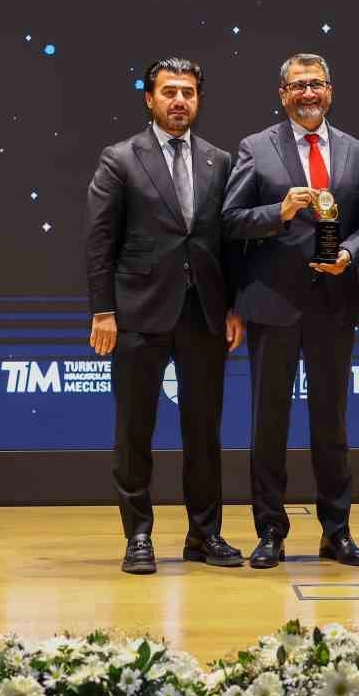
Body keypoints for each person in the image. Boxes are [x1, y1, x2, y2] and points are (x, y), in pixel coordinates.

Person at [84, 57, 246, 574]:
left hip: (204, 314)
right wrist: (103, 310)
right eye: (170, 91)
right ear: (149, 99)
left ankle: (205, 534)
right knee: (135, 430)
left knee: (204, 433)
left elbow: (229, 242)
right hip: (137, 313)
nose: (179, 101)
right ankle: (138, 535)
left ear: (199, 99)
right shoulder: (120, 158)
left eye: (188, 92)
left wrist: (234, 306)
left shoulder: (219, 161)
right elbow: (99, 241)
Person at [222, 53, 359, 569]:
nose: (309, 93)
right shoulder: (255, 147)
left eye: (317, 84)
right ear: (282, 94)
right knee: (270, 423)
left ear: (330, 91)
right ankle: (270, 532)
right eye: (298, 85)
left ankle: (338, 531)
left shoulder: (356, 151)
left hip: (334, 302)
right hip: (273, 303)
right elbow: (230, 220)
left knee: (332, 423)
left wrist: (348, 252)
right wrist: (279, 211)